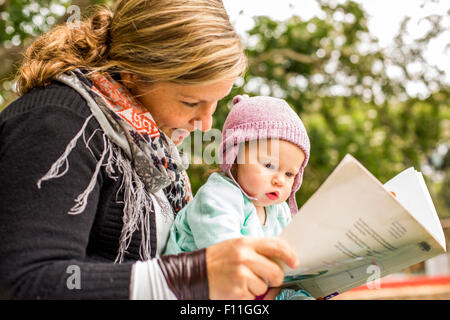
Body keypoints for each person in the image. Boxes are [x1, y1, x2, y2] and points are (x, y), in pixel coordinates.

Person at [0, 0, 299, 299]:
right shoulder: (57, 124)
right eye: (191, 102)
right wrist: (189, 277)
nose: (206, 124)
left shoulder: (150, 152)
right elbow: (25, 282)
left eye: (215, 101)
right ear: (133, 73)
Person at [164, 95, 314, 300]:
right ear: (235, 157)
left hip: (254, 288)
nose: (280, 180)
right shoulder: (218, 196)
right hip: (193, 288)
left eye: (290, 174)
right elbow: (227, 255)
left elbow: (289, 256)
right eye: (269, 165)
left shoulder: (278, 210)